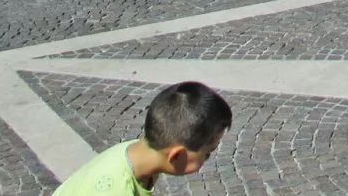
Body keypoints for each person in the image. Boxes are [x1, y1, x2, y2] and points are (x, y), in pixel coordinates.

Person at [52, 80, 231, 196]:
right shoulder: (115, 190)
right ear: (176, 156)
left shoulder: (136, 152)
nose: (208, 159)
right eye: (207, 154)